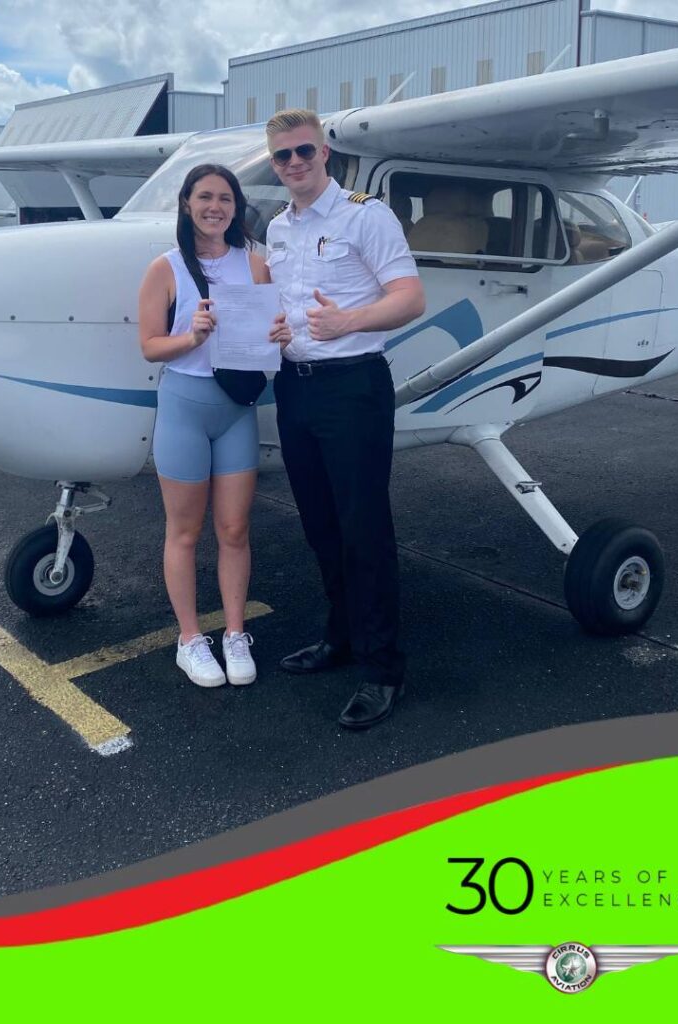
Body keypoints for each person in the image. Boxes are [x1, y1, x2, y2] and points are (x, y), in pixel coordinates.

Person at [264, 109, 426, 730]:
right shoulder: (277, 228)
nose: (295, 163)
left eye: (305, 151)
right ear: (274, 163)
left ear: (324, 152)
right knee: (320, 526)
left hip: (353, 387)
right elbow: (284, 305)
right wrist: (278, 328)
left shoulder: (366, 214)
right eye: (283, 156)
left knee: (363, 529)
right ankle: (342, 638)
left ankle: (384, 668)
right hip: (296, 389)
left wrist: (348, 322)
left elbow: (410, 297)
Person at [138, 164, 291, 688]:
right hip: (184, 403)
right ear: (186, 204)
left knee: (234, 529)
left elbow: (273, 330)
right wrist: (193, 337)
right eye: (204, 197)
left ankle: (233, 632)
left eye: (225, 198)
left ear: (236, 207)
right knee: (184, 531)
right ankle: (189, 640)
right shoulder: (166, 268)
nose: (215, 207)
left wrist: (279, 331)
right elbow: (150, 346)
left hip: (235, 410)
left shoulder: (256, 265)